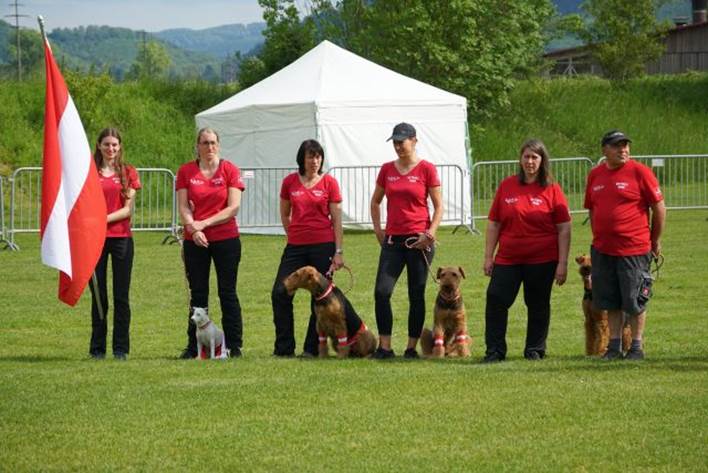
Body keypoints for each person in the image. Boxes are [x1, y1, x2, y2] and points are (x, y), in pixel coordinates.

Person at [482, 139, 571, 363]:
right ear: (520, 159)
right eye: (526, 157)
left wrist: (562, 263)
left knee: (538, 303)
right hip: (508, 258)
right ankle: (494, 351)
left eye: (535, 157)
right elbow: (494, 223)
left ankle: (535, 349)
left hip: (543, 258)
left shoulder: (551, 188)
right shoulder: (507, 185)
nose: (530, 161)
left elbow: (564, 228)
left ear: (542, 161)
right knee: (496, 298)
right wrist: (488, 256)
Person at [584, 130, 665, 360]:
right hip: (603, 249)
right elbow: (592, 207)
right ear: (604, 150)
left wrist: (655, 240)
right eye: (617, 146)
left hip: (634, 248)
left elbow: (659, 208)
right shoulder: (595, 175)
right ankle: (614, 346)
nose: (623, 150)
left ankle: (636, 346)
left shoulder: (640, 172)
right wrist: (598, 234)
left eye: (626, 145)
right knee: (610, 298)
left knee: (635, 298)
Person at [370, 122, 443, 359]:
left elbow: (439, 206)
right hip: (392, 240)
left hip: (419, 240)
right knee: (382, 291)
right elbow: (376, 201)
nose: (398, 146)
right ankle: (385, 346)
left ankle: (411, 348)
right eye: (395, 142)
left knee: (416, 293)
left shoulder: (427, 169)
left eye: (402, 141)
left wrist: (430, 233)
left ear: (414, 140)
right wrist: (378, 229)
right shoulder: (387, 169)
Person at [271, 139, 345, 357]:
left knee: (320, 297)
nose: (315, 161)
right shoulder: (289, 182)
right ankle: (284, 348)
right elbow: (285, 213)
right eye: (311, 156)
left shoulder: (329, 183)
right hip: (295, 247)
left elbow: (337, 220)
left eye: (318, 156)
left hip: (323, 246)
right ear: (302, 159)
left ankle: (312, 349)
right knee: (280, 292)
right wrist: (292, 232)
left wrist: (338, 252)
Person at [176, 128, 245, 359]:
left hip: (226, 238)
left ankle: (234, 346)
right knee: (198, 294)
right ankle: (194, 346)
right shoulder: (186, 171)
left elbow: (233, 207)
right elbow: (184, 206)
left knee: (227, 292)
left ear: (219, 145)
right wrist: (192, 228)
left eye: (213, 142)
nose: (209, 147)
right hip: (194, 240)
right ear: (197, 145)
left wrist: (201, 224)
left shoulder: (230, 170)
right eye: (204, 143)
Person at [89, 127, 141, 360]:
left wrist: (100, 220)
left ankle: (121, 349)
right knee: (99, 295)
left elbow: (127, 209)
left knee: (121, 296)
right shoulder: (87, 171)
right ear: (99, 145)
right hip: (93, 241)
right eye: (106, 144)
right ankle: (97, 349)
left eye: (115, 145)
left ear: (120, 147)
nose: (111, 148)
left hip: (121, 239)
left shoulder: (128, 172)